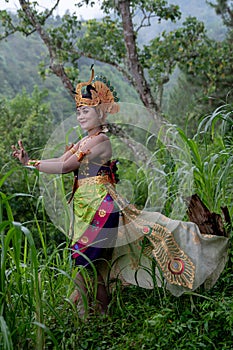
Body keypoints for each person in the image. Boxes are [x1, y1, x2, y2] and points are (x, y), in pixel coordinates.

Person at [12, 68, 229, 318]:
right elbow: (61, 159)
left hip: (101, 207)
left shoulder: (100, 141)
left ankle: (87, 317)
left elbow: (64, 167)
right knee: (97, 267)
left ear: (101, 113)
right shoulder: (83, 142)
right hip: (85, 208)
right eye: (79, 111)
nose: (80, 116)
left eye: (86, 110)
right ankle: (97, 318)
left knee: (85, 262)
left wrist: (31, 163)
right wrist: (29, 161)